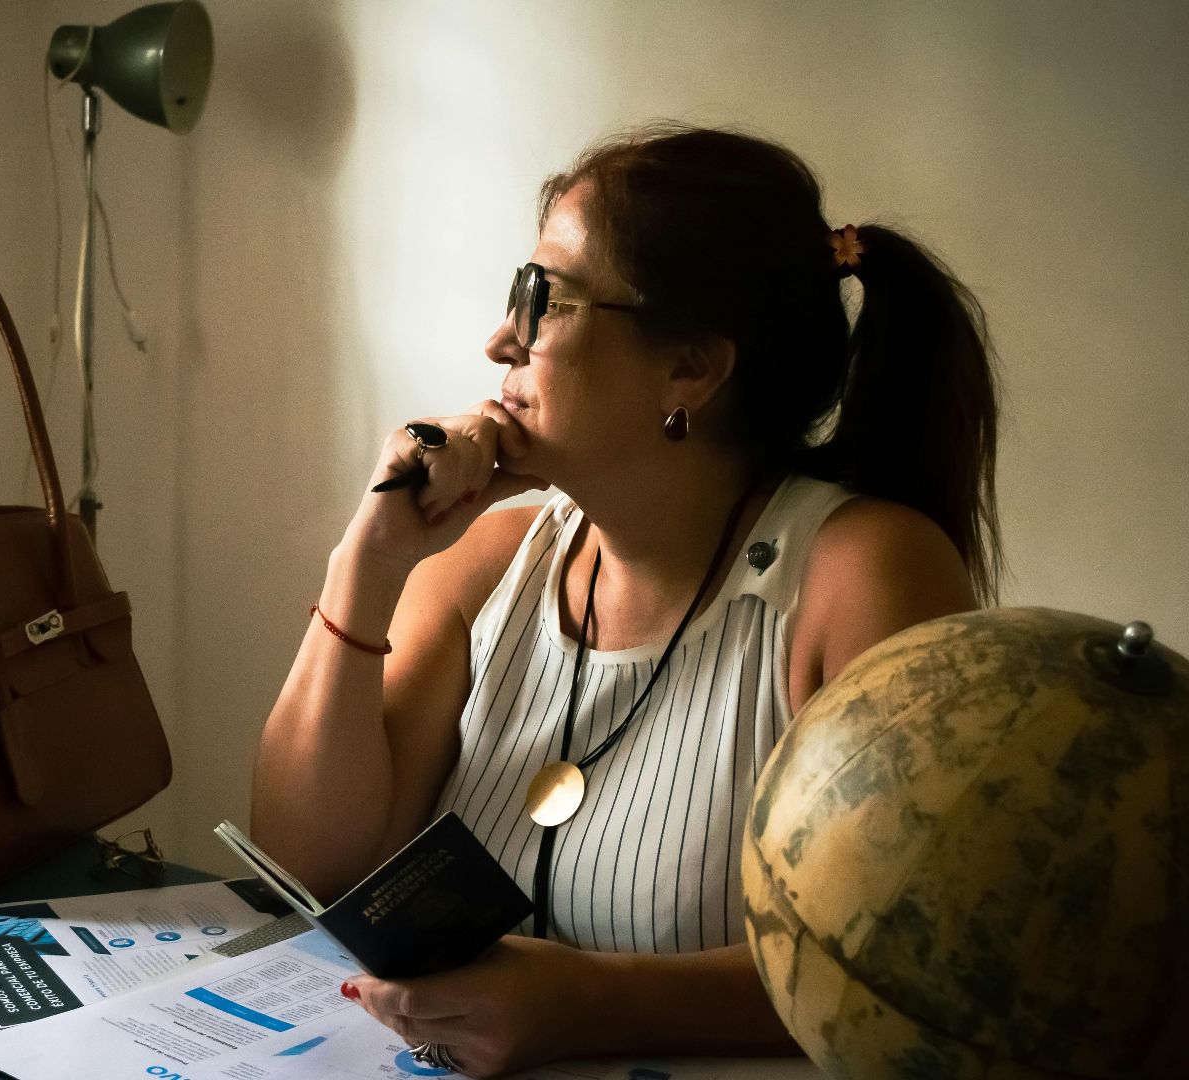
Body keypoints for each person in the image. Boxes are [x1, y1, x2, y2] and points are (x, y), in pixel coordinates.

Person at [251, 123, 1000, 1077]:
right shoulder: (489, 561)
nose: (499, 340)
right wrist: (367, 561)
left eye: (544, 299)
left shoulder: (861, 575)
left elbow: (906, 966)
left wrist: (592, 1004)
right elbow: (306, 868)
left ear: (690, 367)